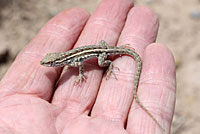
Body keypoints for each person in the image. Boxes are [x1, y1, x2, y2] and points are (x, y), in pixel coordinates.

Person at [0, 0, 176, 133]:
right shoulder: (67, 60)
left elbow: (80, 65)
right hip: (102, 46)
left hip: (102, 52)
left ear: (56, 62)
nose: (47, 65)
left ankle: (111, 66)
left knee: (101, 63)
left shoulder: (71, 61)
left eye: (50, 63)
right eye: (49, 62)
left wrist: (82, 74)